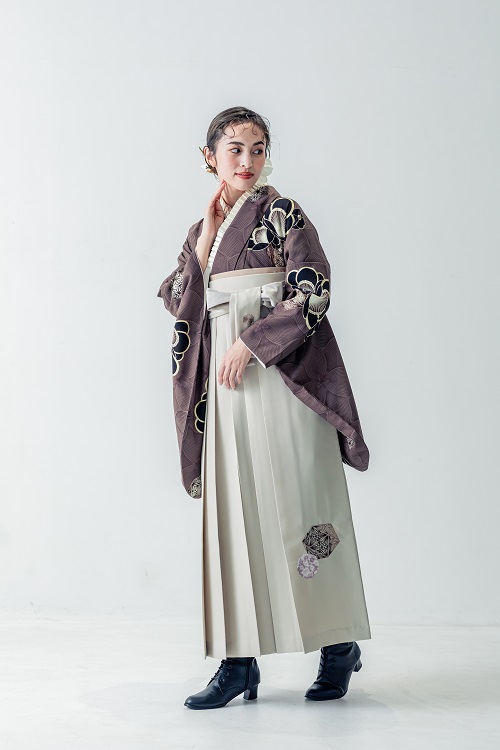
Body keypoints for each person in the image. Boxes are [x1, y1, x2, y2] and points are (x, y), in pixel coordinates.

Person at [157, 106, 371, 710]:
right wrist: (203, 242)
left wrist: (252, 343)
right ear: (210, 159)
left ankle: (338, 645)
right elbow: (176, 298)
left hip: (281, 373)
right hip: (226, 385)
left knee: (304, 501)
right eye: (234, 149)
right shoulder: (203, 230)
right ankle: (237, 663)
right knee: (236, 511)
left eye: (257, 148)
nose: (247, 161)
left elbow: (313, 287)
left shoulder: (283, 212)